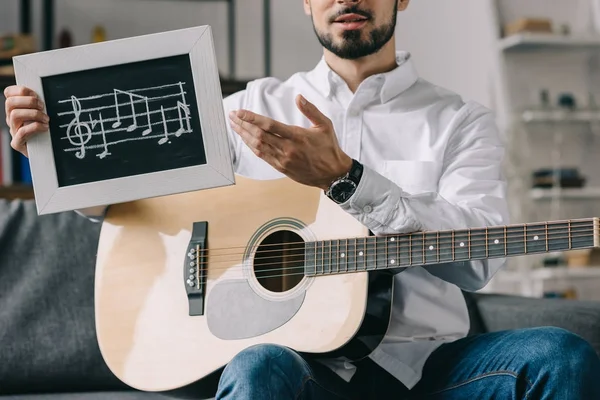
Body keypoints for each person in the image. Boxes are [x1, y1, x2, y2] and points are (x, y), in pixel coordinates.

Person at [4, 0, 600, 398]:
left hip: (428, 370)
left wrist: (348, 179)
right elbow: (145, 213)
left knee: (562, 355)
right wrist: (56, 159)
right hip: (298, 366)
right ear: (307, 2)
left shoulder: (460, 121)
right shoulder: (247, 110)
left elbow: (475, 262)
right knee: (257, 367)